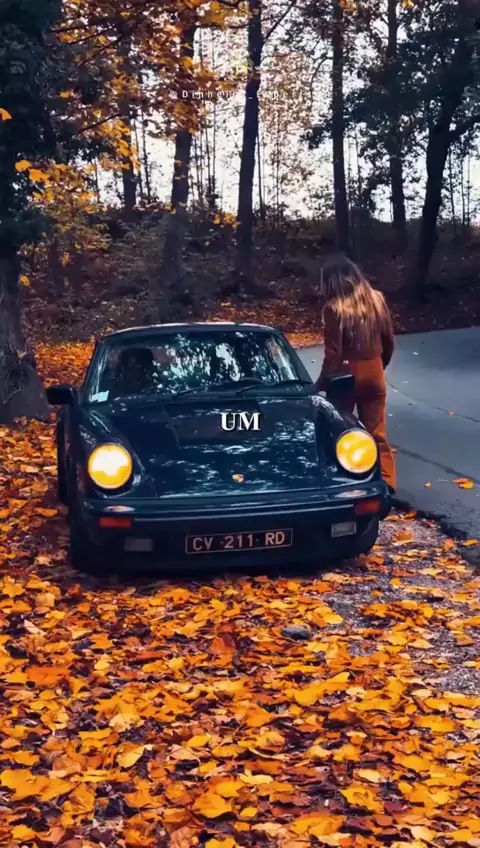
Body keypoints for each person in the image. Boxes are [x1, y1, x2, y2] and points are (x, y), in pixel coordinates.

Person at [314, 254, 396, 493]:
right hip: (374, 370)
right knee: (377, 432)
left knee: (340, 429)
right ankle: (387, 482)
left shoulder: (334, 308)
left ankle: (346, 480)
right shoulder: (377, 300)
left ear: (332, 281)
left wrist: (320, 384)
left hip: (346, 376)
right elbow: (389, 341)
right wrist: (378, 366)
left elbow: (333, 354)